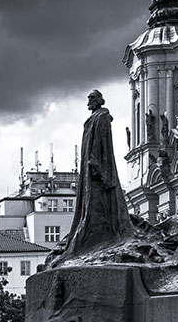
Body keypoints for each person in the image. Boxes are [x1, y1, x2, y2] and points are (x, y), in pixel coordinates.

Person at [52, 90, 134, 262]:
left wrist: (97, 164)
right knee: (90, 203)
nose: (89, 101)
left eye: (92, 98)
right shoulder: (94, 118)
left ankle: (102, 235)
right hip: (89, 168)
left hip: (96, 167)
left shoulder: (102, 117)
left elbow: (102, 142)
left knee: (98, 203)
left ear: (99, 100)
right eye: (88, 98)